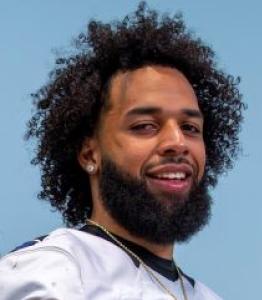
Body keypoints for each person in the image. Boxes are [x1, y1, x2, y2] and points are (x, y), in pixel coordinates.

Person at [0, 2, 244, 299]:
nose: (177, 143)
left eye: (190, 128)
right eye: (145, 126)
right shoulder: (52, 271)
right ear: (90, 153)